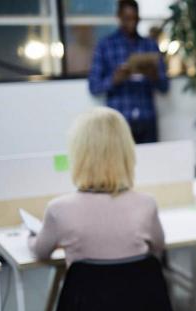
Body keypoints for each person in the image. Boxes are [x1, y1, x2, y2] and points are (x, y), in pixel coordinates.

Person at [28, 106, 165, 266]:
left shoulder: (58, 210)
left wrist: (30, 237)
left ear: (79, 154)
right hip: (136, 291)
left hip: (82, 291)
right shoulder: (146, 204)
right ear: (126, 151)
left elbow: (40, 252)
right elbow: (159, 245)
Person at [88, 0, 169, 144]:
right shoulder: (105, 45)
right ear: (119, 17)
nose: (132, 22)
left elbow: (164, 87)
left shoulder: (150, 45)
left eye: (135, 18)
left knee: (151, 162)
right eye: (127, 18)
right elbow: (94, 87)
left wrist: (153, 75)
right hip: (118, 121)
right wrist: (115, 79)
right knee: (119, 164)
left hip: (146, 118)